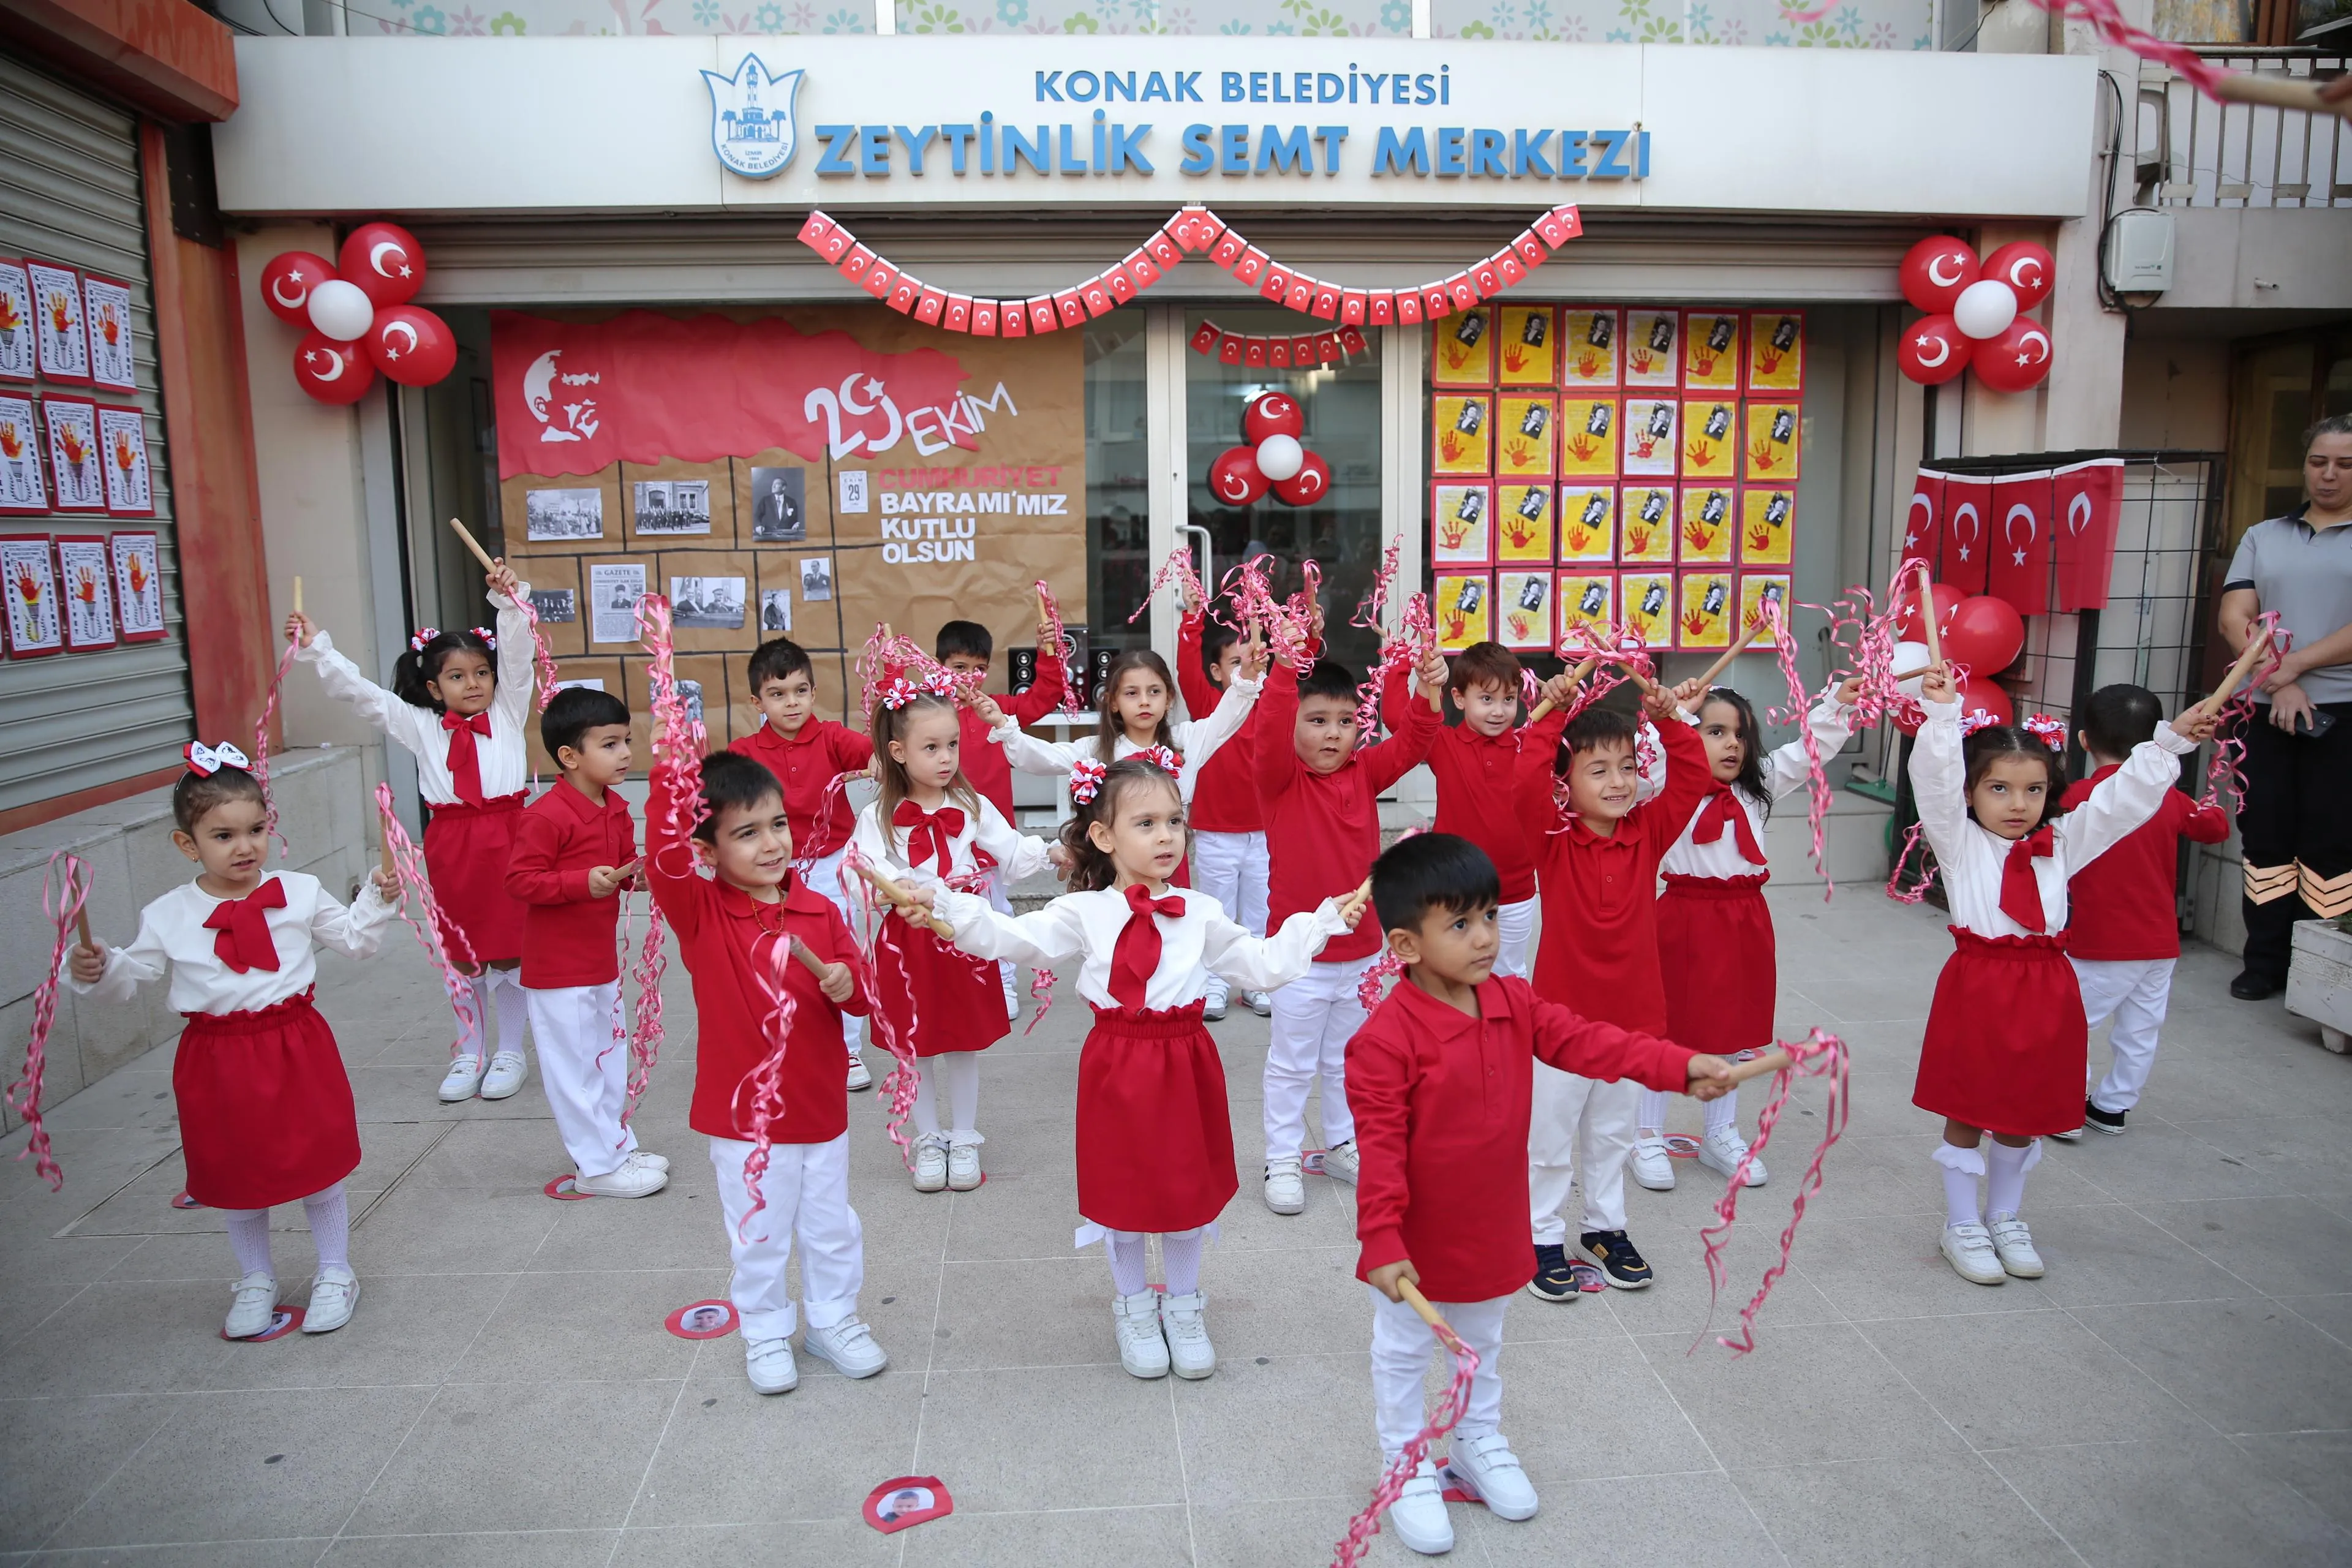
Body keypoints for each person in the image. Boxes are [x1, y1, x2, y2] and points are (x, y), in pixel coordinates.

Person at [908, 756, 1360, 1380]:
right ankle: (1133, 1305)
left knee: (1182, 1189)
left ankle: (1183, 1304)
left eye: (1175, 820)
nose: (1167, 835)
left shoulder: (1200, 910)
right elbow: (1016, 937)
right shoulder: (1085, 912)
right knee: (1120, 1191)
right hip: (1116, 1064)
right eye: (1146, 822)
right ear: (1103, 835)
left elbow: (1257, 964)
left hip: (1185, 1061)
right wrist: (947, 907)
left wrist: (1317, 925)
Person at [1346, 834, 1735, 1556]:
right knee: (1404, 1350)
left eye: (1490, 915)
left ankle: (1475, 1440)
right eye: (1460, 924)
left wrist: (1678, 1068)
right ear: (1405, 943)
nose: (1487, 937)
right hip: (1414, 1235)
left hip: (1493, 1223)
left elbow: (1594, 1042)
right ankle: (1403, 1462)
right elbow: (1380, 1152)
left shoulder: (1512, 1000)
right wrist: (1382, 1239)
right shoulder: (1384, 1040)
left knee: (1483, 1342)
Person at [64, 758, 401, 1339]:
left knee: (316, 1164)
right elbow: (130, 978)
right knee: (235, 1169)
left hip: (295, 1045)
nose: (244, 847)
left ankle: (334, 1270)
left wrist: (375, 894)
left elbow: (354, 941)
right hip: (216, 1058)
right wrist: (96, 969)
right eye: (223, 836)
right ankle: (254, 1278)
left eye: (256, 829)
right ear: (186, 844)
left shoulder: (298, 891)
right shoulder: (168, 914)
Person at [1908, 669, 2214, 1284]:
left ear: (2053, 792)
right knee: (1969, 1106)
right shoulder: (1959, 842)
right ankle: (1962, 1224)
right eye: (1998, 787)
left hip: (2047, 987)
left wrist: (2170, 743)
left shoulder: (2068, 840)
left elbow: (2121, 799)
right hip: (1980, 985)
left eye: (2033, 789)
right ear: (1971, 793)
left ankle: (2006, 1217)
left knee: (2023, 1109)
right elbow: (1934, 783)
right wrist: (1942, 718)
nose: (2017, 804)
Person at [646, 746, 886, 1395]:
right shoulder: (702, 916)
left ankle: (833, 1320)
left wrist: (846, 983)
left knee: (831, 1224)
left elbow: (863, 992)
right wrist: (671, 772)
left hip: (819, 1106)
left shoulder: (820, 911)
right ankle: (765, 1329)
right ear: (707, 849)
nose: (771, 843)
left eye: (776, 824)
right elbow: (662, 853)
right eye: (745, 833)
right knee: (759, 1229)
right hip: (744, 1118)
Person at [288, 563, 537, 1105]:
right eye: (456, 676)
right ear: (433, 685)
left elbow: (520, 656)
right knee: (463, 951)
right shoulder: (420, 724)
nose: (472, 684)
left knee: (511, 948)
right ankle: (470, 1049)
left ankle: (512, 1049)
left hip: (513, 838)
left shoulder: (511, 708)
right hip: (453, 844)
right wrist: (318, 649)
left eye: (480, 673)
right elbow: (363, 696)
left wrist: (510, 603)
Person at [1517, 677, 1712, 1295]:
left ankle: (1605, 1226)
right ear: (1566, 784)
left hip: (1631, 1020)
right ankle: (1541, 1234)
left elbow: (1692, 778)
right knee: (1549, 1138)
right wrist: (1553, 713)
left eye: (1627, 767)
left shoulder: (1647, 833)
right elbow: (1523, 783)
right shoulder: (1550, 841)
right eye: (1597, 770)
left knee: (1612, 1134)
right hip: (1561, 1023)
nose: (1618, 782)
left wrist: (1671, 717)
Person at [1635, 679, 1860, 1192]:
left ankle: (1720, 1134)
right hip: (1683, 918)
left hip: (1744, 921)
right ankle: (1645, 1133)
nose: (1732, 744)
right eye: (1716, 731)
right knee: (1666, 1029)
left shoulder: (1757, 787)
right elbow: (1646, 753)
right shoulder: (1668, 779)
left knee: (1733, 1033)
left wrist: (1838, 705)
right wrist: (1673, 712)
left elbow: (1807, 753)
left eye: (1740, 734)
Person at [1254, 643, 1447, 1216]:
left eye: (1346, 722)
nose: (1334, 734)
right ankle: (1283, 1156)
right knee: (1291, 1063)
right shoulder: (1278, 780)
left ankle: (1340, 1143)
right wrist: (1285, 667)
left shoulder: (1367, 771)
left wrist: (1429, 688)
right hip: (1299, 957)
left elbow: (1415, 740)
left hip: (1363, 956)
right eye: (1316, 722)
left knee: (1346, 1059)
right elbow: (1268, 730)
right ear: (1291, 727)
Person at [850, 680, 1052, 1194]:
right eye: (931, 747)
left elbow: (1012, 853)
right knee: (915, 1047)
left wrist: (1052, 852)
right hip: (906, 943)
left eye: (953, 744)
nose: (946, 758)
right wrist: (885, 890)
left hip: (961, 935)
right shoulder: (875, 817)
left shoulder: (972, 804)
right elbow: (858, 872)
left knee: (962, 1043)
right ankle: (929, 1137)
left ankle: (964, 1136)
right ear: (897, 752)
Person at [2048, 685, 2230, 1140]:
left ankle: (2066, 1108)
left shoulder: (2079, 797)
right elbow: (2215, 827)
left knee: (2071, 1025)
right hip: (2159, 943)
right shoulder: (2168, 797)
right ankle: (2112, 1106)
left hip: (2100, 940)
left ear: (2085, 740)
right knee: (2140, 1030)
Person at [506, 686, 663, 1199]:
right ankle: (593, 1167)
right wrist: (579, 883)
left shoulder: (616, 808)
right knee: (573, 1070)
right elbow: (521, 881)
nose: (624, 754)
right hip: (557, 970)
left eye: (625, 742)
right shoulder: (544, 815)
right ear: (570, 756)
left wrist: (632, 877)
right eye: (610, 744)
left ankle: (616, 1145)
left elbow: (617, 871)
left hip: (600, 963)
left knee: (609, 1056)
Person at [2215, 413, 2352, 1000]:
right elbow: (2234, 617)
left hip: (2342, 713)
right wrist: (2280, 679)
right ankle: (2264, 961)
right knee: (2265, 835)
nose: (2328, 475)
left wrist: (2296, 664)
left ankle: (2317, 968)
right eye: (2318, 462)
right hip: (2264, 712)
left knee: (2332, 840)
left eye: (2345, 465)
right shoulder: (2263, 534)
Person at [986, 643, 1265, 888]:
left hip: (1168, 865)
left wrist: (1248, 677)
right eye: (1132, 693)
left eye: (1154, 691)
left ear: (1168, 699)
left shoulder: (1188, 741)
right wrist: (1004, 726)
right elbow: (1041, 757)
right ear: (1114, 702)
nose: (1145, 701)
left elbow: (1227, 716)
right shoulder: (1096, 750)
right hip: (1113, 871)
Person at [729, 636, 876, 1089]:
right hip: (769, 870)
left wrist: (879, 764)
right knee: (770, 953)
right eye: (777, 694)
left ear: (813, 692)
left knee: (841, 954)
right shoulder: (743, 752)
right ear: (757, 701)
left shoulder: (832, 736)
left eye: (799, 691)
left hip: (834, 864)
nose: (790, 703)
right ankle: (776, 1038)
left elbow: (877, 755)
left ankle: (848, 1051)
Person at [1380, 641, 1570, 981]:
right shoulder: (1445, 744)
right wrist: (1402, 664)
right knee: (1454, 976)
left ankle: (1508, 1034)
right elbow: (1398, 719)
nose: (1499, 711)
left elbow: (1564, 744)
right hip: (1456, 889)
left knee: (1509, 978)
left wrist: (1560, 705)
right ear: (1458, 698)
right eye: (1487, 699)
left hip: (1516, 894)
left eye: (1508, 700)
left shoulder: (1529, 746)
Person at [935, 614, 1070, 1017]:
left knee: (996, 912)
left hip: (990, 840)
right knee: (942, 911)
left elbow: (1045, 696)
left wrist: (1049, 650)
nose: (970, 676)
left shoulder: (997, 710)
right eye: (959, 667)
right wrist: (890, 670)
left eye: (978, 668)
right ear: (938, 665)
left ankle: (1003, 984)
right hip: (940, 838)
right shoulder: (925, 715)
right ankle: (953, 985)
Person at [1177, 589, 1272, 1020]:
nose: (1247, 670)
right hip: (1216, 831)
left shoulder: (1271, 703)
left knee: (1258, 910)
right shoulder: (1209, 705)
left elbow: (1293, 667)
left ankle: (1252, 983)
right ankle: (1214, 981)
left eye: (1254, 661)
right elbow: (1184, 668)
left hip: (1263, 830)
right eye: (1236, 664)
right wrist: (1192, 617)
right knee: (1215, 911)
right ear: (1216, 672)